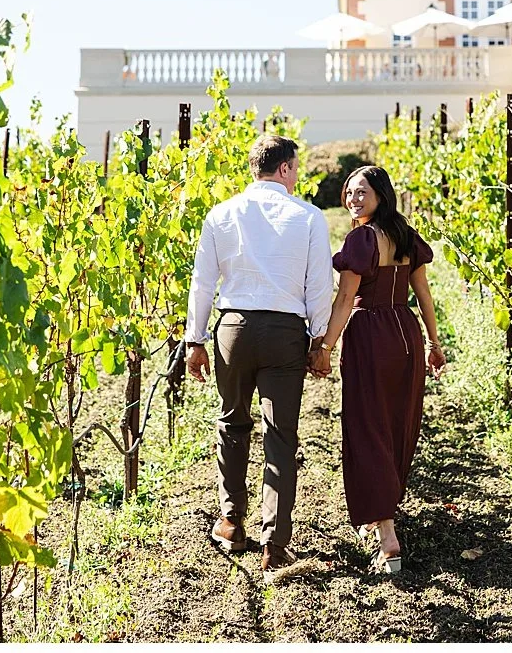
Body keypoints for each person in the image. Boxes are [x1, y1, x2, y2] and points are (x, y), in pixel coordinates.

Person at [184, 133, 333, 582]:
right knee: (281, 435)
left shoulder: (221, 214)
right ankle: (274, 545)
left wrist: (195, 339)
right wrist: (318, 340)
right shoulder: (307, 217)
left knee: (231, 422)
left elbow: (202, 281)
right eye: (295, 169)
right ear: (285, 168)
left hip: (233, 330)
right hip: (285, 330)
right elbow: (319, 285)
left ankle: (231, 523)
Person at [315, 165, 446, 574]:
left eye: (362, 193)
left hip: (370, 334)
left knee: (367, 426)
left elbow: (344, 300)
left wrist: (324, 347)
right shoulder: (405, 235)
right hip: (404, 333)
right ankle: (382, 511)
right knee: (395, 424)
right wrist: (432, 342)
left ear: (380, 196)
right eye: (350, 192)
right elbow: (422, 293)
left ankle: (387, 536)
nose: (354, 199)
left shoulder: (360, 240)